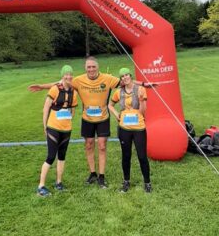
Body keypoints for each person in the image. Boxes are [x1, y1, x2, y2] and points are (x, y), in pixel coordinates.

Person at [29, 57, 151, 188]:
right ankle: (92, 173)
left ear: (97, 67)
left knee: (102, 146)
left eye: (93, 66)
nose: (91, 69)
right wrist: (41, 86)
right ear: (85, 68)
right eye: (89, 67)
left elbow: (127, 81)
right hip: (87, 119)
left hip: (103, 118)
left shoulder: (107, 78)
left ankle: (101, 176)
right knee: (89, 145)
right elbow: (60, 83)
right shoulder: (78, 80)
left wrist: (143, 84)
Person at [37, 65, 78, 197]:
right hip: (53, 127)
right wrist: (45, 126)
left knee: (62, 156)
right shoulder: (55, 89)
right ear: (62, 76)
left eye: (70, 74)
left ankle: (58, 183)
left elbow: (73, 109)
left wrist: (69, 118)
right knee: (50, 156)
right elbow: (45, 109)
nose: (69, 76)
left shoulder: (73, 91)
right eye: (66, 74)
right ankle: (41, 186)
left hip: (66, 129)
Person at [109, 68, 152, 193]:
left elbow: (143, 112)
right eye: (122, 76)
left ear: (130, 76)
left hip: (139, 128)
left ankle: (147, 183)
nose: (124, 77)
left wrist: (141, 100)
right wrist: (117, 115)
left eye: (126, 75)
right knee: (126, 156)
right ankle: (126, 182)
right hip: (124, 129)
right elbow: (110, 105)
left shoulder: (140, 90)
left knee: (142, 156)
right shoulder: (118, 92)